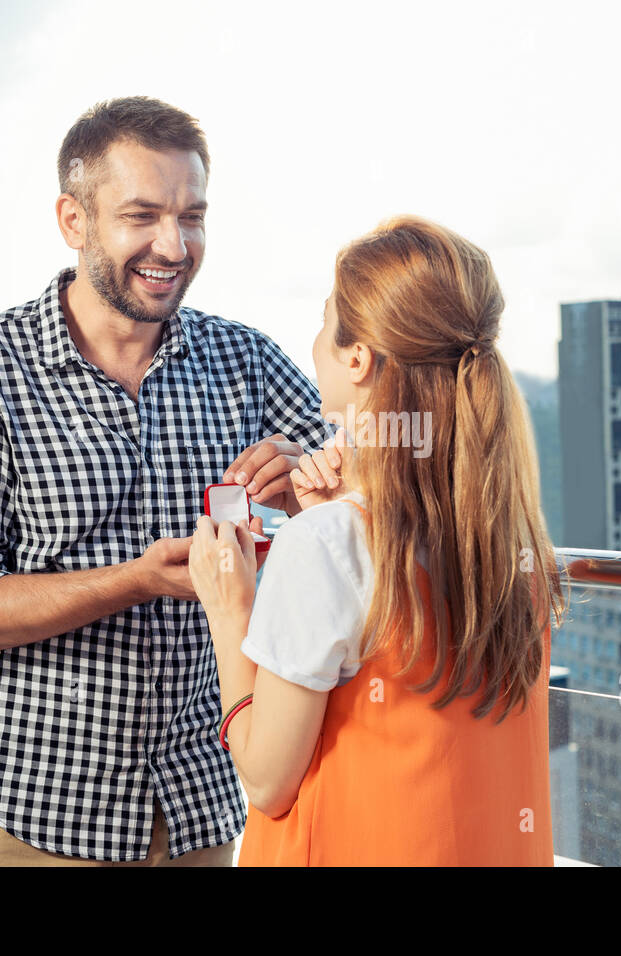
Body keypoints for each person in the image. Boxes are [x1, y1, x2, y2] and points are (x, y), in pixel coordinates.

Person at [0, 96, 333, 866]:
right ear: (74, 221)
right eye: (143, 215)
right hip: (24, 815)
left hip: (200, 807)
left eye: (192, 216)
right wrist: (133, 581)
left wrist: (314, 484)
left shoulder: (246, 361)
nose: (175, 244)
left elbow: (379, 482)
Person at [189, 214, 567, 865]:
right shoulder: (511, 543)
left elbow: (266, 779)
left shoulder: (326, 545)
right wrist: (329, 518)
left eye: (323, 321)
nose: (313, 344)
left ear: (357, 357)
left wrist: (229, 610)